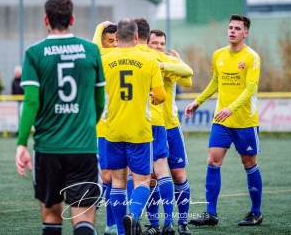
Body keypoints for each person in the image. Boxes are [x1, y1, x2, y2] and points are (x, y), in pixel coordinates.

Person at [15, 0, 106, 235]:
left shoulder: (34, 53)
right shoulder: (91, 50)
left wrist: (22, 143)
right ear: (72, 19)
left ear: (46, 19)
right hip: (83, 148)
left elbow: (31, 101)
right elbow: (99, 101)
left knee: (52, 214)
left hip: (47, 149)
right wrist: (85, 126)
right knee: (84, 217)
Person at [185, 14, 263, 227]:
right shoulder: (218, 55)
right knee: (213, 160)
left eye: (237, 28)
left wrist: (231, 108)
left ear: (245, 33)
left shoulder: (252, 57)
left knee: (249, 163)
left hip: (245, 121)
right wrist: (198, 102)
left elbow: (250, 89)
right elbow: (215, 82)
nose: (232, 31)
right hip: (222, 121)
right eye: (230, 27)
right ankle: (211, 214)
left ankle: (256, 212)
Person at [101, 18, 166, 235]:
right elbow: (161, 95)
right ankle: (135, 215)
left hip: (113, 129)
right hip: (139, 131)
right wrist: (153, 99)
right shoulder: (148, 60)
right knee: (142, 181)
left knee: (117, 182)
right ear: (137, 37)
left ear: (117, 37)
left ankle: (121, 232)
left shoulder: (106, 59)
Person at [134, 19, 193, 235]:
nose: (158, 47)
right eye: (155, 43)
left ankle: (182, 222)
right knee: (151, 176)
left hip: (171, 126)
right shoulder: (146, 60)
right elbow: (186, 76)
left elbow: (187, 81)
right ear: (147, 43)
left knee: (178, 174)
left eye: (162, 43)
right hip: (152, 124)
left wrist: (169, 64)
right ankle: (153, 224)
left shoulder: (163, 60)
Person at [92, 20, 118, 235]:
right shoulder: (101, 60)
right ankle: (110, 224)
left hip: (121, 127)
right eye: (110, 41)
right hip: (103, 128)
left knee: (118, 178)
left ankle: (113, 224)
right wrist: (99, 28)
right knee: (108, 176)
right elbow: (95, 51)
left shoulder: (124, 59)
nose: (115, 44)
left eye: (117, 40)